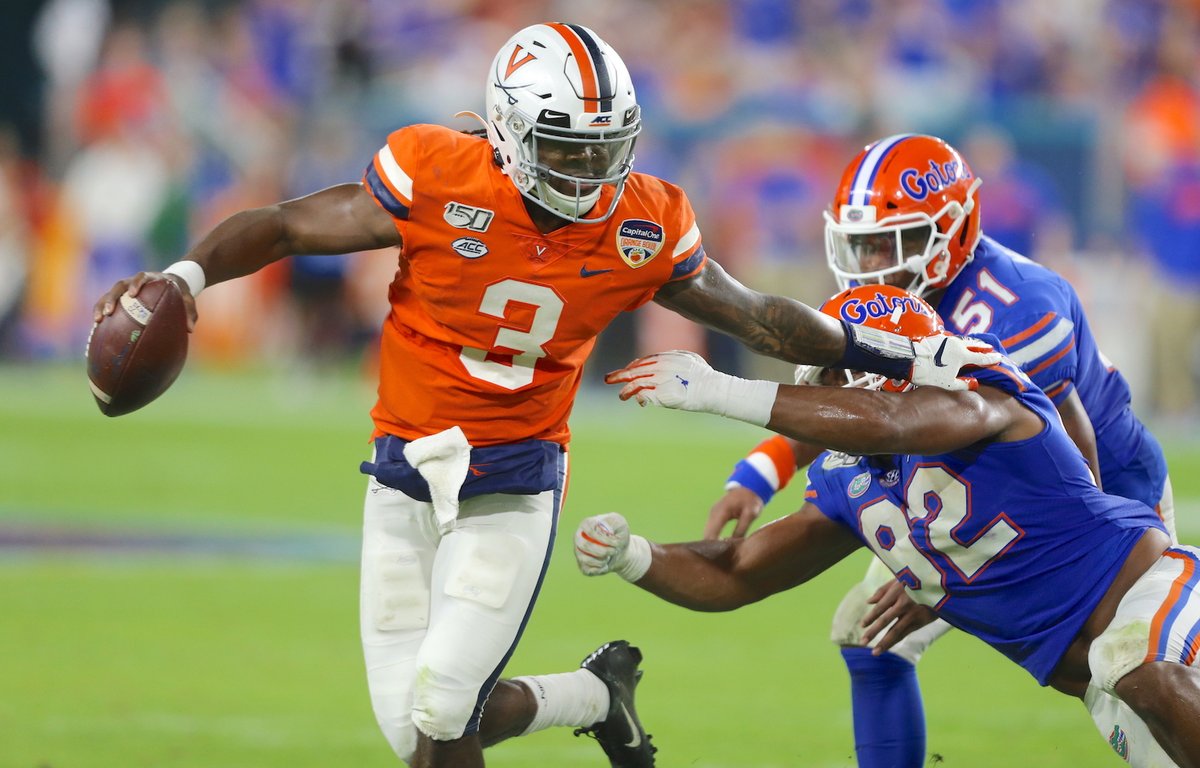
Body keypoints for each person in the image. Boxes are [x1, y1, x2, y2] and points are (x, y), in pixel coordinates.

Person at [90, 24, 996, 768]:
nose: (590, 169)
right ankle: (595, 696)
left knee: (444, 703)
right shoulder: (437, 174)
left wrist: (884, 348)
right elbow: (288, 226)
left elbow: (758, 316)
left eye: (606, 147)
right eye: (568, 148)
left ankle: (581, 698)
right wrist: (184, 277)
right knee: (413, 731)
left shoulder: (642, 222)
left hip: (514, 478)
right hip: (401, 470)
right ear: (511, 131)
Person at [702, 134, 1175, 767]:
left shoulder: (1016, 307)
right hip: (971, 487)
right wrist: (763, 470)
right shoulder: (894, 300)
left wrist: (938, 575)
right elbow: (860, 405)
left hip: (1103, 497)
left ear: (953, 230)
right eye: (861, 244)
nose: (872, 264)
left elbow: (1069, 460)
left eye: (891, 243)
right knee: (868, 637)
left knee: (1128, 681)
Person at [585, 284, 1200, 767]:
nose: (822, 386)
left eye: (834, 371)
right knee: (1125, 673)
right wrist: (633, 556)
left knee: (1130, 663)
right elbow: (739, 572)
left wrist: (721, 392)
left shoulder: (982, 390)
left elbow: (893, 421)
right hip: (1102, 681)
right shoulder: (852, 480)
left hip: (1160, 597)